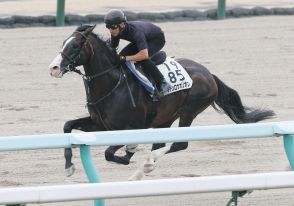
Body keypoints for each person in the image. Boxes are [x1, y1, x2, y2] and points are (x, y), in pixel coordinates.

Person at [104, 9, 170, 98]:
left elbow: (144, 55)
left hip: (156, 39)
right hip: (143, 38)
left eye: (113, 27)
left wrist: (125, 58)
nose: (111, 30)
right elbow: (113, 48)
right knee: (120, 57)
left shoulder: (136, 31)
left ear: (122, 24)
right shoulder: (116, 30)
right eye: (108, 27)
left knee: (141, 59)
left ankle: (162, 82)